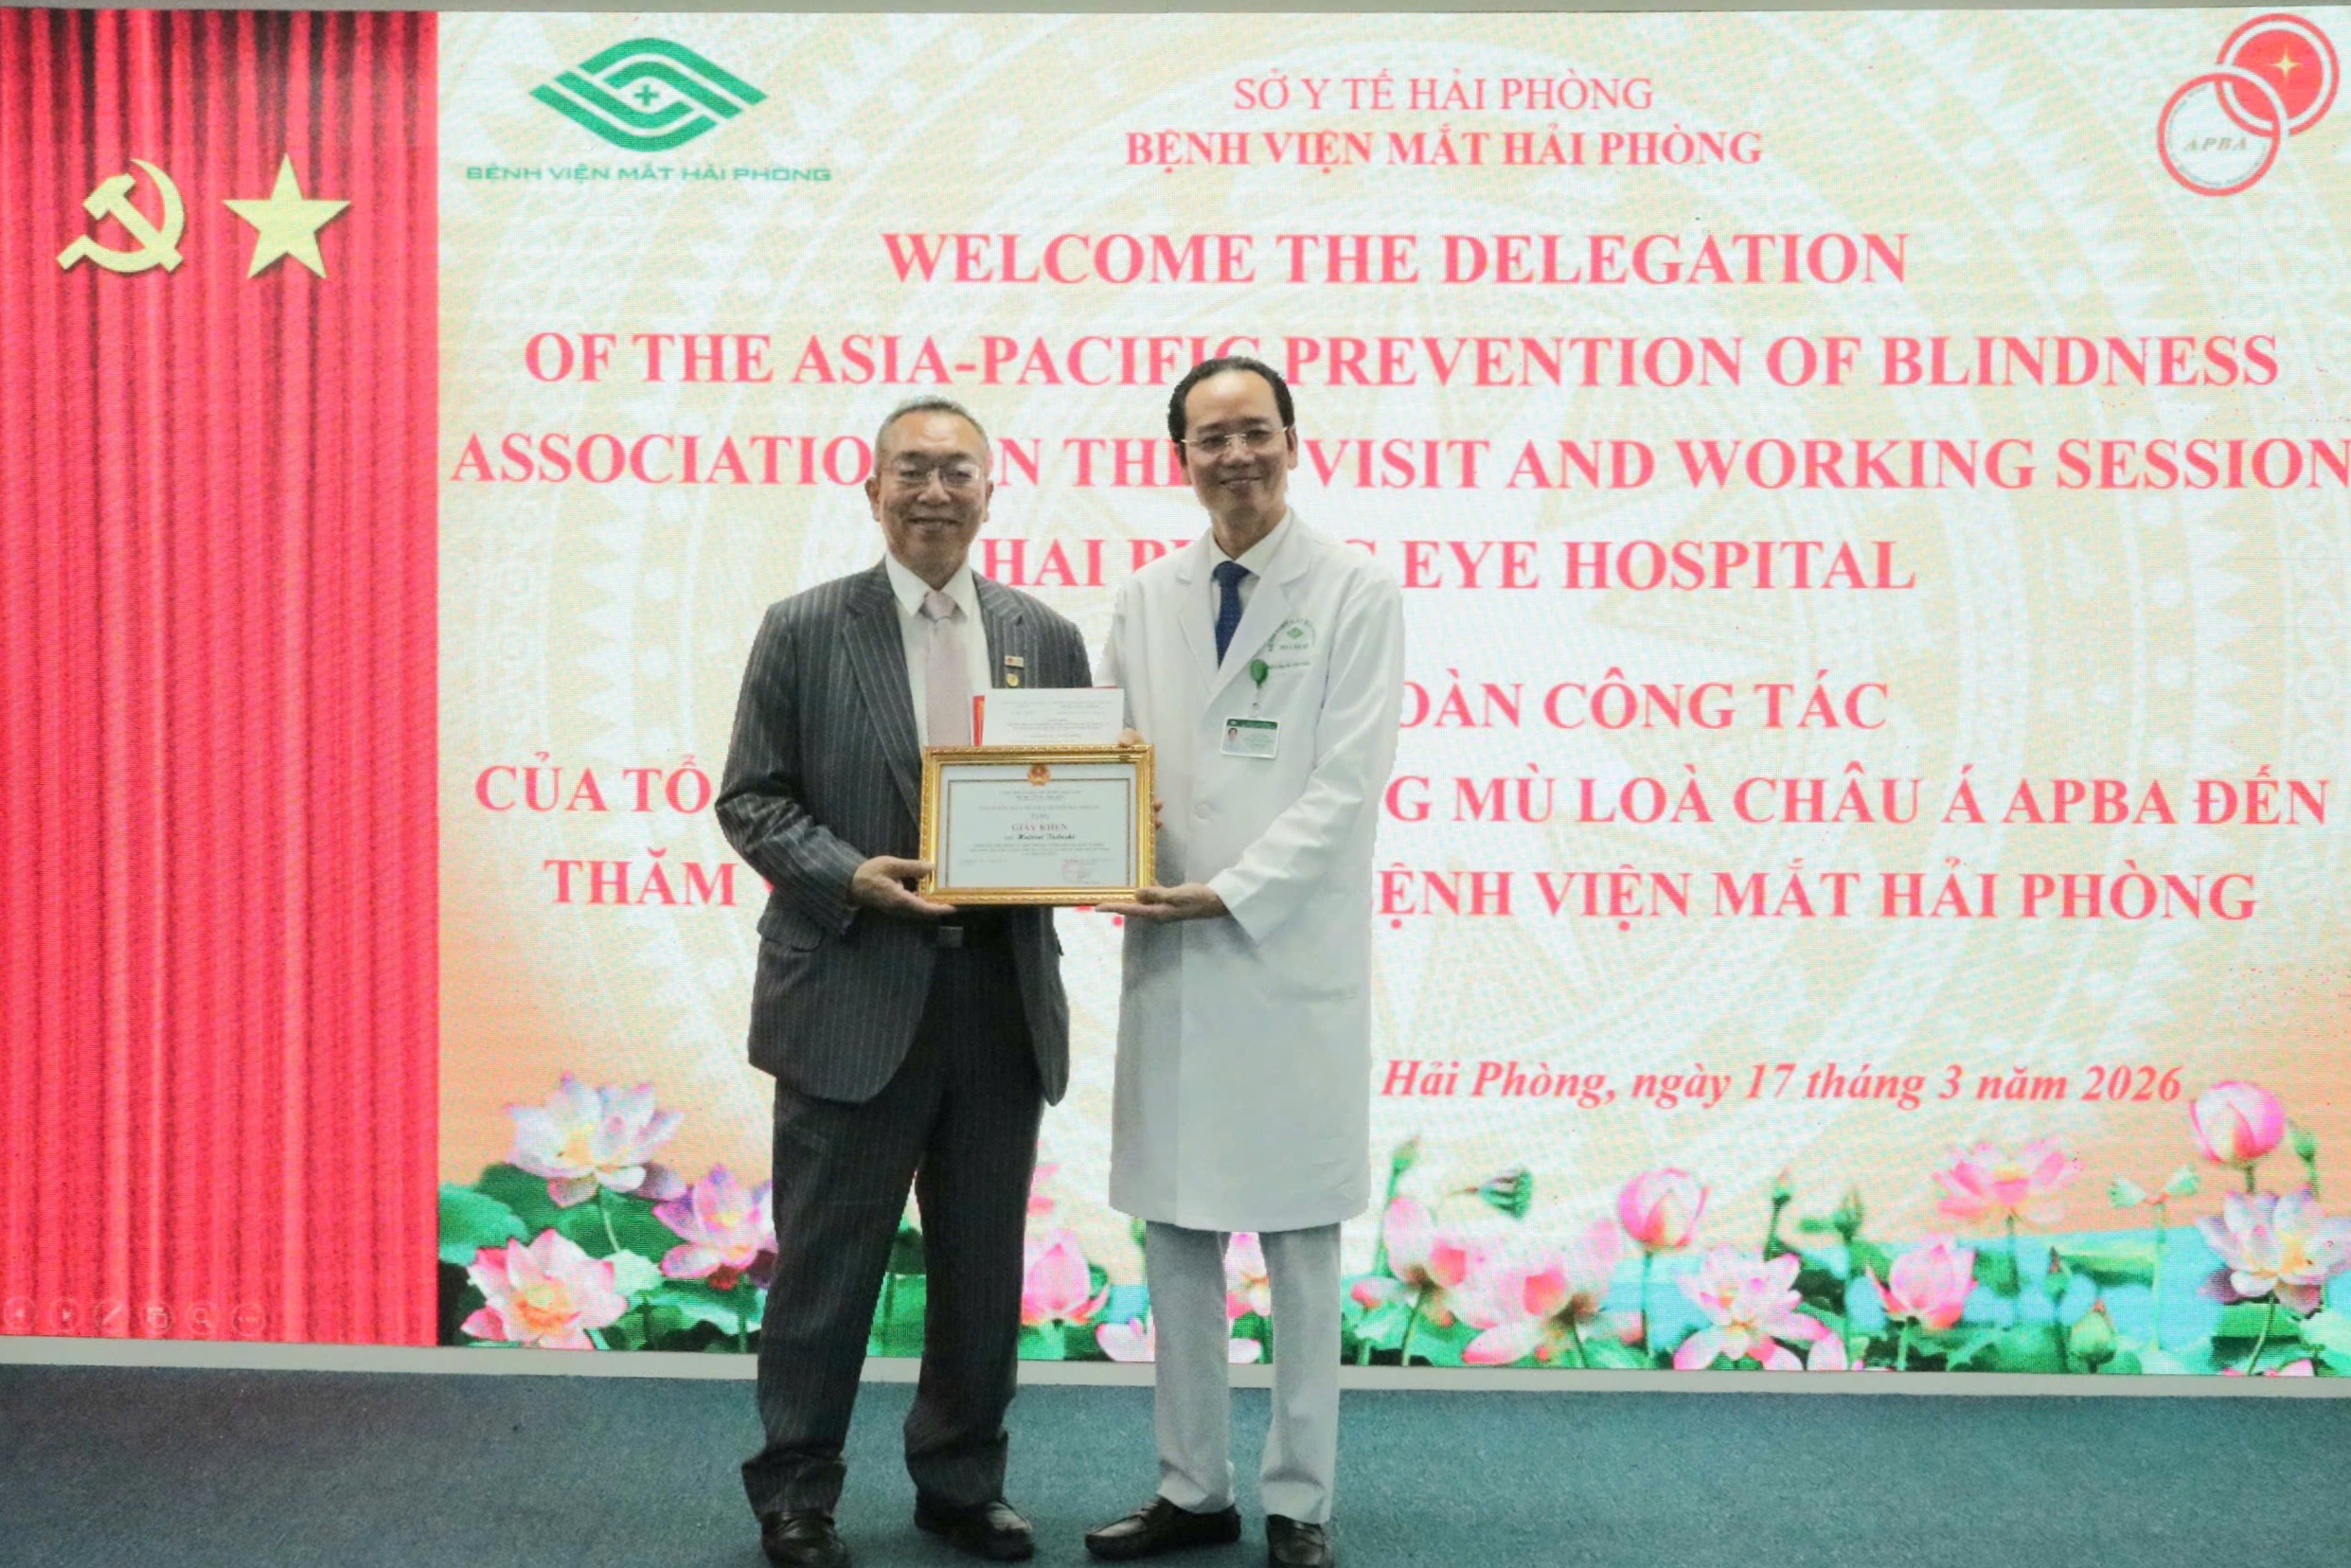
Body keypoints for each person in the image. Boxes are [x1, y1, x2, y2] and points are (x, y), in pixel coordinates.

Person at [716, 397, 1091, 1567]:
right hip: (849, 991)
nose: (935, 491)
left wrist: (1097, 848)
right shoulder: (803, 628)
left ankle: (961, 1485)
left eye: (957, 471)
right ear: (871, 489)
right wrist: (850, 876)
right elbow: (751, 800)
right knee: (826, 1270)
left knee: (980, 1270)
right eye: (912, 470)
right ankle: (796, 1491)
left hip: (998, 1001)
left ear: (991, 489)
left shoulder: (1045, 635)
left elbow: (1074, 798)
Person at [1086, 359, 1405, 1568]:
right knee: (1174, 1236)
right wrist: (1086, 835)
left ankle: (1298, 1502)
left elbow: (1345, 786)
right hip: (1170, 956)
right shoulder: (1144, 596)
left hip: (1284, 957)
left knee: (1300, 1249)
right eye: (1210, 437)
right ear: (1180, 456)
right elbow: (1108, 755)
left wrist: (1229, 887)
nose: (1235, 455)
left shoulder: (1355, 590)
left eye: (1255, 432)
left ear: (1291, 441)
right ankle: (1191, 1489)